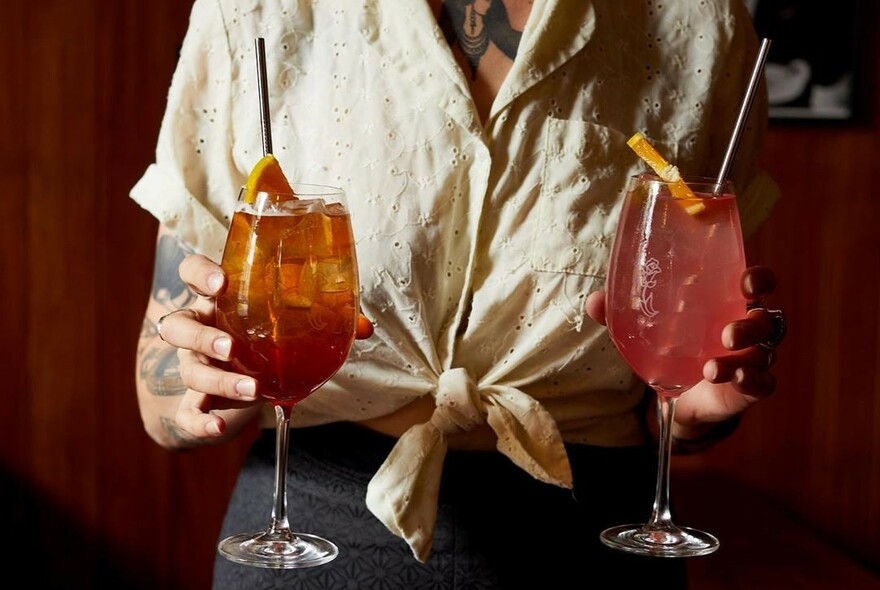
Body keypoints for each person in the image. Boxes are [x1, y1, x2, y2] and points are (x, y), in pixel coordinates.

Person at [131, 1, 786, 588]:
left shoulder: (704, 24)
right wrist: (201, 388)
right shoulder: (252, 12)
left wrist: (696, 414)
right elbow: (159, 394)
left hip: (589, 542)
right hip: (315, 533)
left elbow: (676, 375)